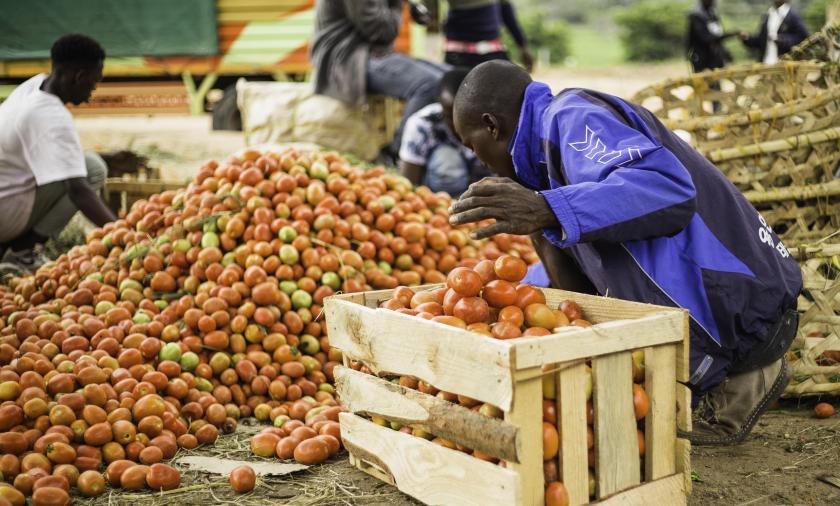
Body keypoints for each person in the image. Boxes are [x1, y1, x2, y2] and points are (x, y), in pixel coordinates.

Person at [449, 61, 802, 446]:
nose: (479, 160)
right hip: (710, 315)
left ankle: (744, 381)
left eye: (472, 145)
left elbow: (668, 190)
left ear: (492, 125)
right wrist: (529, 241)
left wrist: (546, 208)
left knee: (647, 440)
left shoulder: (570, 118)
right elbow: (575, 288)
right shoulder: (542, 167)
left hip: (742, 314)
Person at [0, 34, 116, 271]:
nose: (93, 91)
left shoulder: (33, 87)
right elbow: (78, 192)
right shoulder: (52, 115)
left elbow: (48, 152)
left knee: (91, 163)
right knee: (93, 170)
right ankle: (24, 252)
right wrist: (125, 235)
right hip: (5, 215)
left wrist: (111, 158)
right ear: (79, 76)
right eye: (94, 82)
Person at [310, 0, 447, 162]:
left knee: (448, 77)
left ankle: (437, 145)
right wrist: (396, 5)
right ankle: (396, 155)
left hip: (369, 52)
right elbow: (382, 32)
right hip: (346, 59)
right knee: (429, 85)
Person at [398, 68, 490, 196]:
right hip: (439, 198)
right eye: (449, 116)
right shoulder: (422, 124)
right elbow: (408, 182)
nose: (456, 124)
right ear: (439, 102)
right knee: (446, 159)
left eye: (463, 117)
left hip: (482, 195)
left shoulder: (490, 123)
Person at [441, 0, 533, 71]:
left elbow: (506, 10)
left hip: (490, 52)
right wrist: (522, 46)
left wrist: (522, 45)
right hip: (460, 54)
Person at [740, 0, 808, 64]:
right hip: (765, 64)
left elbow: (803, 38)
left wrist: (783, 40)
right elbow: (761, 41)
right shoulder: (768, 15)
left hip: (786, 65)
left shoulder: (793, 16)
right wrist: (747, 38)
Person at [687, 0, 738, 72]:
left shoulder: (712, 15)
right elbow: (705, 38)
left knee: (716, 81)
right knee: (704, 81)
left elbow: (718, 36)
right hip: (702, 59)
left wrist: (725, 54)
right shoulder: (697, 16)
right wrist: (727, 35)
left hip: (714, 59)